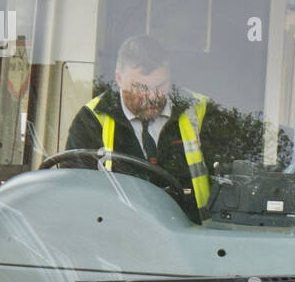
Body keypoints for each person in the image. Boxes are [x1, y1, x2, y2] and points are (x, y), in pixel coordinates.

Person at [63, 35, 215, 220]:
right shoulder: (92, 120)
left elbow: (227, 181)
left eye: (161, 85)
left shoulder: (200, 112)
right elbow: (75, 189)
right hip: (120, 236)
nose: (152, 97)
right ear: (119, 79)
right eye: (141, 87)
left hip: (193, 236)